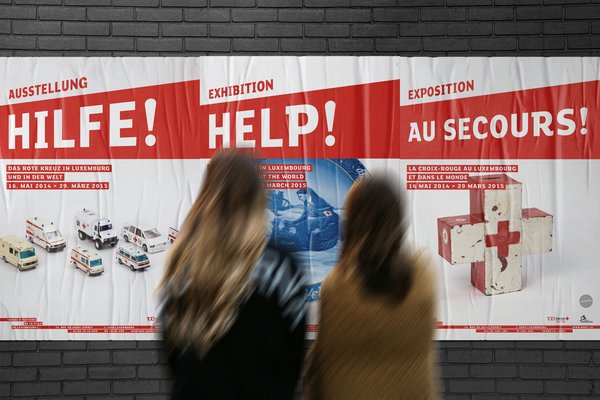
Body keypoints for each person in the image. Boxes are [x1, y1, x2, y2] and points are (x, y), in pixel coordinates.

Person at [159, 151, 306, 400]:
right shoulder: (281, 266)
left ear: (208, 196)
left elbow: (172, 352)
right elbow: (294, 356)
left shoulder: (184, 263)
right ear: (258, 197)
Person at [305, 175, 439, 400]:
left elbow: (320, 366)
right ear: (397, 219)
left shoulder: (338, 287)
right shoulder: (423, 279)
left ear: (353, 221)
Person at [270, 188, 339, 252]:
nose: (300, 198)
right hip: (319, 221)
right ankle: (298, 242)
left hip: (328, 223)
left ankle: (302, 246)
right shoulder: (307, 202)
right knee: (300, 225)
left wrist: (320, 228)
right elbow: (304, 216)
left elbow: (330, 216)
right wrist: (293, 222)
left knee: (303, 225)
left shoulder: (318, 202)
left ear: (306, 194)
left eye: (300, 196)